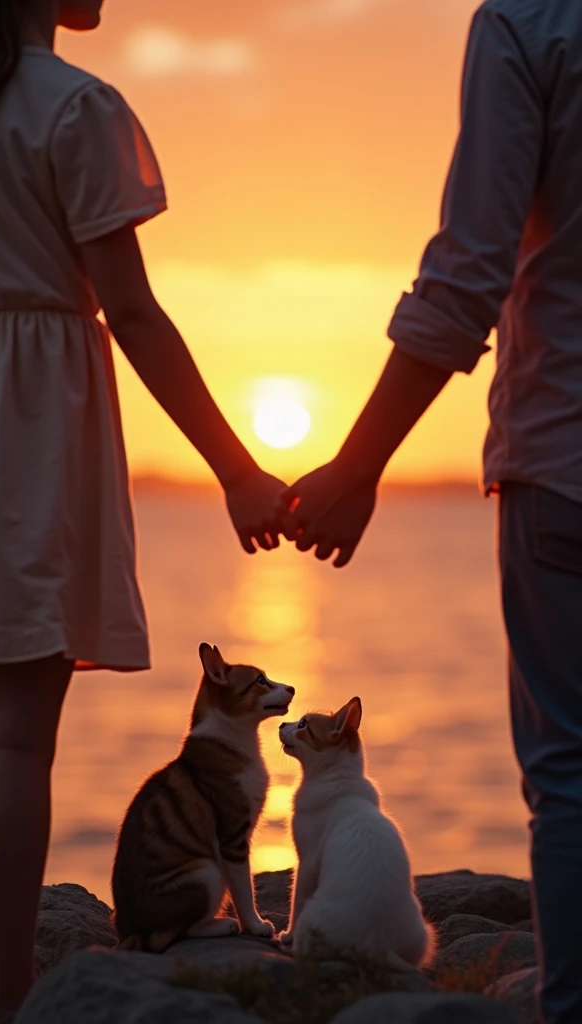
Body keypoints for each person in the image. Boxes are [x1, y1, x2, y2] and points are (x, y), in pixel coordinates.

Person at [282, 2, 582, 1022]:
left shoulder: (528, 24)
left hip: (565, 461)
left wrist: (359, 464)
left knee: (571, 775)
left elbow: (468, 270)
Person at [0, 1, 288, 1020]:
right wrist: (237, 469)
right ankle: (7, 990)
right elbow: (136, 311)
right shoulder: (72, 109)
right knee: (15, 737)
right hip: (25, 422)